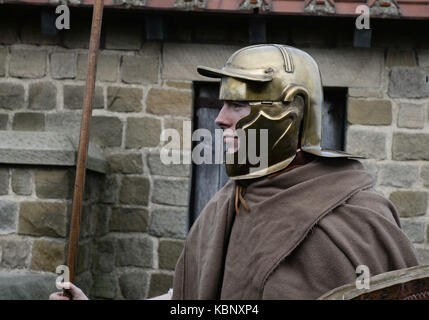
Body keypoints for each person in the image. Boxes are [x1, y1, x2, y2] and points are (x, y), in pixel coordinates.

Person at [50, 44, 418, 300]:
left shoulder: (357, 217)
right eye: (222, 104)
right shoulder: (227, 203)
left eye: (238, 106)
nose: (221, 119)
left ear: (293, 109)